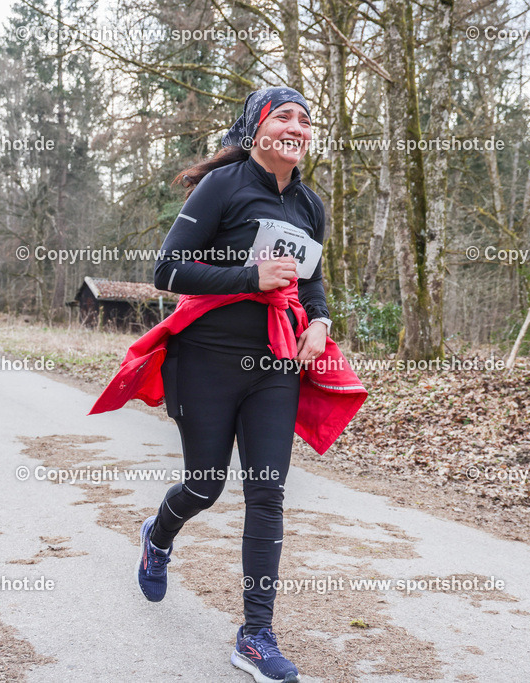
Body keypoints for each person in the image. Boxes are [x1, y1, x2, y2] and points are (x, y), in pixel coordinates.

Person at [90, 86, 367, 683]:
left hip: (275, 366)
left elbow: (310, 282)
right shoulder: (225, 184)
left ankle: (256, 634)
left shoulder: (311, 206)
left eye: (306, 119)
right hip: (206, 361)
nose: (298, 125)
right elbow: (166, 270)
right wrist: (250, 276)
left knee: (267, 493)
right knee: (205, 485)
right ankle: (157, 533)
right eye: (284, 116)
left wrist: (318, 322)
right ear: (257, 129)